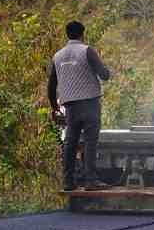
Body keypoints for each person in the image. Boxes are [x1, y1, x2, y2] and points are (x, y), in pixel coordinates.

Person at [47, 20, 112, 191]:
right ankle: (90, 180)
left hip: (70, 106)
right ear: (82, 34)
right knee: (90, 142)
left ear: (67, 35)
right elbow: (104, 75)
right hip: (89, 103)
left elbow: (51, 86)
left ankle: (68, 181)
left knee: (70, 143)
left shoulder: (57, 56)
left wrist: (54, 107)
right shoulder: (87, 50)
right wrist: (108, 71)